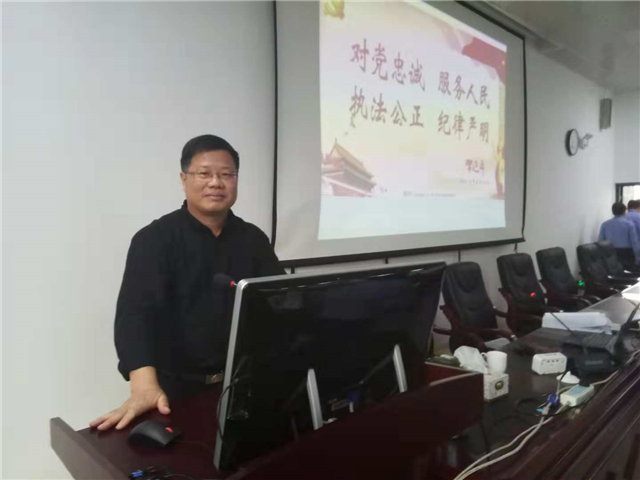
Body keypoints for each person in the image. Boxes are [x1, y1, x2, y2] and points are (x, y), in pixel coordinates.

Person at [90, 135, 284, 431]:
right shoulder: (154, 240)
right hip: (177, 392)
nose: (216, 183)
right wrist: (143, 386)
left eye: (226, 174)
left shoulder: (254, 239)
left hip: (243, 385)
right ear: (184, 179)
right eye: (204, 173)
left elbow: (279, 301)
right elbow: (134, 315)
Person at [598, 201, 640, 268]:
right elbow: (634, 242)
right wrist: (637, 258)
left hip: (610, 253)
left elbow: (601, 241)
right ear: (624, 211)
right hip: (627, 253)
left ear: (613, 212)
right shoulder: (629, 224)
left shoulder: (605, 224)